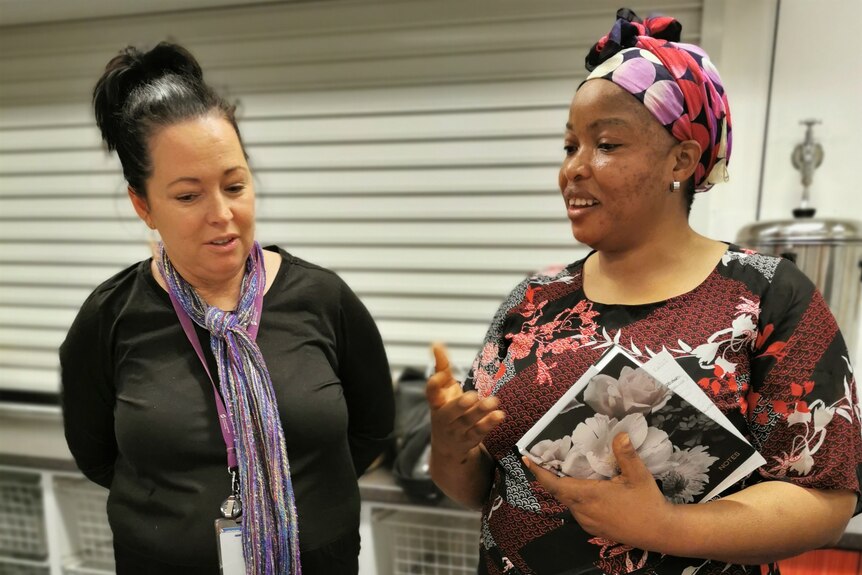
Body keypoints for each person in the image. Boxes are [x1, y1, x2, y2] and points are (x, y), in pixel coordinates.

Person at [426, 9, 861, 575]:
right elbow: (484, 488)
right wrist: (449, 444)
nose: (574, 170)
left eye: (605, 144)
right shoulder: (533, 303)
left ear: (681, 159)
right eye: (568, 146)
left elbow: (825, 500)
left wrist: (662, 528)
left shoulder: (765, 299)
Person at [60, 42, 395, 575]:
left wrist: (279, 497)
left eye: (234, 185)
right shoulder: (110, 317)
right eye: (189, 196)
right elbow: (97, 455)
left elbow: (373, 430)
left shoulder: (323, 299)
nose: (223, 214)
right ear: (142, 205)